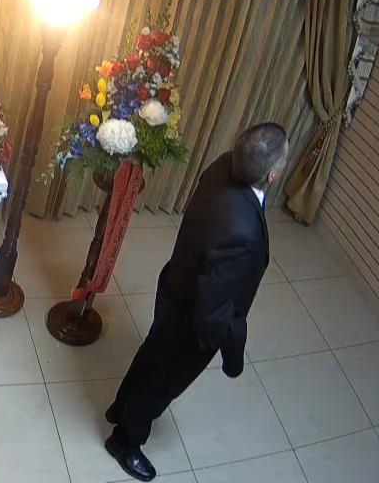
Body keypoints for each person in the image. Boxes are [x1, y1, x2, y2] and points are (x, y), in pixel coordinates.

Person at [104, 123, 289, 481]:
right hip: (191, 320)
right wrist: (227, 348)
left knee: (151, 353)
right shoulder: (244, 232)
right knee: (162, 382)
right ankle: (124, 441)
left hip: (176, 283)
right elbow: (214, 307)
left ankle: (120, 406)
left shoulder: (221, 166)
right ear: (273, 175)